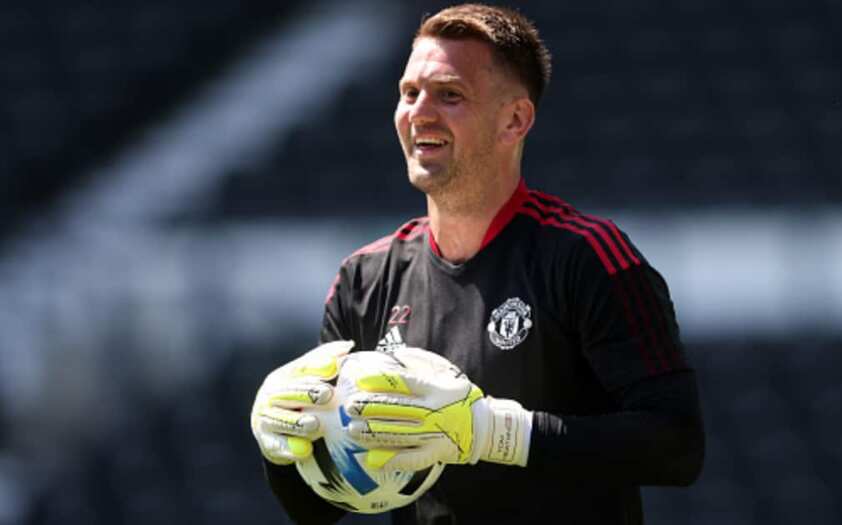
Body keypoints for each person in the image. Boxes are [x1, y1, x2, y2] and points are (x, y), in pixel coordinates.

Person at [251, 4, 704, 524]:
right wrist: (281, 441)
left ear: (514, 119)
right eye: (408, 93)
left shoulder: (589, 256)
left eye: (449, 94)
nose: (419, 112)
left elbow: (676, 444)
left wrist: (492, 432)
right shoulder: (364, 277)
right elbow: (318, 508)